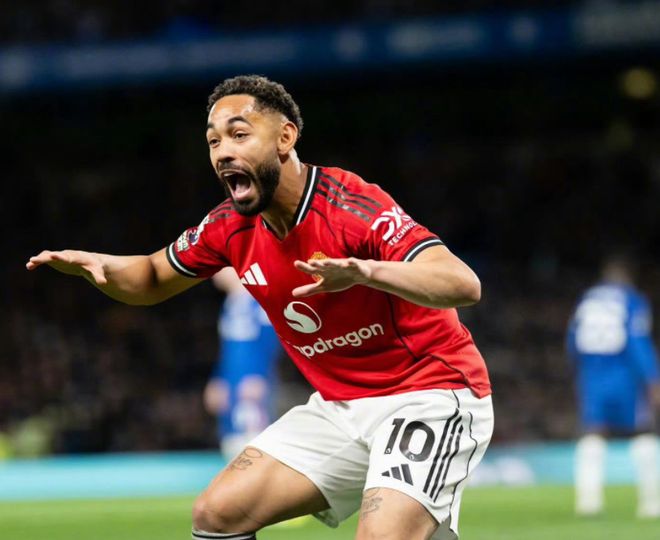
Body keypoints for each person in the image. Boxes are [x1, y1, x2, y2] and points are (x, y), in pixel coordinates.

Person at [27, 75, 493, 540]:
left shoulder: (351, 206)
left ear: (285, 137)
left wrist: (366, 271)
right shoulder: (228, 227)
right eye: (214, 141)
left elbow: (462, 283)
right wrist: (102, 266)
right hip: (340, 408)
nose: (223, 152)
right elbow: (151, 276)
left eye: (239, 134)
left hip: (430, 393)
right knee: (217, 513)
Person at [567, 255, 660, 518]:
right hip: (624, 376)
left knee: (593, 434)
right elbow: (637, 341)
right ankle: (651, 504)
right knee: (642, 433)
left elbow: (572, 341)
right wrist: (652, 379)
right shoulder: (632, 300)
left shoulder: (586, 299)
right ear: (628, 277)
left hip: (592, 376)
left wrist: (579, 371)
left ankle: (588, 503)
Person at [203, 267, 281, 459]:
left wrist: (259, 375)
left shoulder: (258, 301)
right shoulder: (231, 303)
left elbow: (270, 341)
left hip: (251, 381)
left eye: (222, 267)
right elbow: (228, 350)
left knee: (252, 437)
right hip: (232, 381)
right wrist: (219, 379)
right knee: (231, 438)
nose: (214, 272)